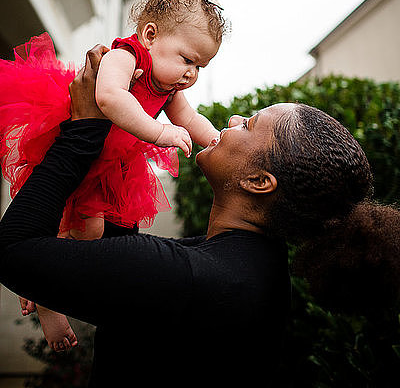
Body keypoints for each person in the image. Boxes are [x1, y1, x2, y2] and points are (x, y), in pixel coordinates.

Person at [0, 46, 399, 387]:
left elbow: (13, 249)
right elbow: (120, 254)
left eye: (251, 123)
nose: (233, 121)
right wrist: (113, 146)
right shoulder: (254, 267)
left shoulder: (193, 277)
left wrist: (84, 130)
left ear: (260, 181)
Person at [0, 0, 229, 351]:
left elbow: (189, 119)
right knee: (69, 230)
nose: (192, 74)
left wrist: (217, 139)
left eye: (200, 66)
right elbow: (108, 98)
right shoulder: (127, 56)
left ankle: (48, 285)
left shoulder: (168, 86)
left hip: (111, 166)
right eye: (187, 59)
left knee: (92, 233)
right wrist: (157, 133)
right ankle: (45, 300)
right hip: (79, 147)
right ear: (150, 35)